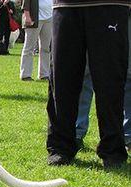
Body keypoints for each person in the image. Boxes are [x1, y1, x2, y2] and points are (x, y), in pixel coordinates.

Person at [46, 0, 129, 168]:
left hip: (112, 5)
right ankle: (60, 147)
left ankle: (112, 149)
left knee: (110, 80)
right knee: (62, 78)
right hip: (66, 6)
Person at [76, 15, 131, 152]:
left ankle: (128, 135)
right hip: (92, 10)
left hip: (124, 11)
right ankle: (77, 132)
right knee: (85, 72)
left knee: (129, 73)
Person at [19, 0, 52, 81]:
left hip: (49, 18)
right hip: (34, 18)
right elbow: (26, 3)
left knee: (46, 48)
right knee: (29, 47)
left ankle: (44, 74)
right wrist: (27, 16)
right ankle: (25, 75)